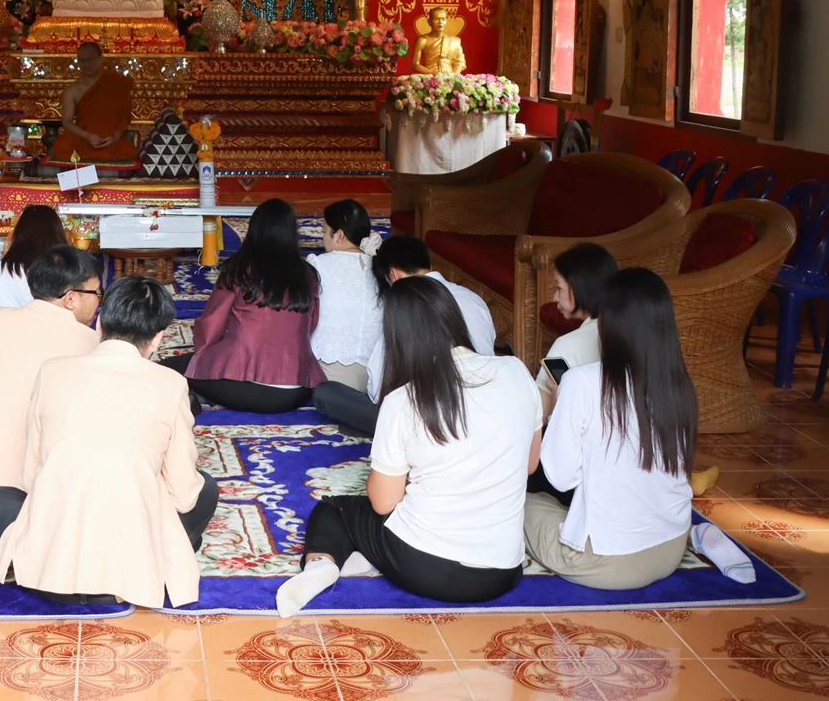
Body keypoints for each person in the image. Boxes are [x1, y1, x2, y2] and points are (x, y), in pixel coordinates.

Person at [277, 276, 542, 614]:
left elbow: (383, 503)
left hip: (426, 567)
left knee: (335, 509)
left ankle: (321, 565)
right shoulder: (516, 371)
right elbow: (531, 464)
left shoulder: (406, 399)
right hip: (503, 572)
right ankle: (368, 558)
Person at [0, 277, 219, 607]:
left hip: (55, 557)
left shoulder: (52, 371)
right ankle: (122, 577)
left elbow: (32, 476)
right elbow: (183, 492)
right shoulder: (171, 383)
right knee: (205, 488)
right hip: (128, 547)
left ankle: (60, 577)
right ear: (158, 338)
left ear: (100, 324)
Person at [527, 268, 699, 590]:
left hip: (606, 563)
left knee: (518, 502)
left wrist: (564, 405)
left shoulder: (582, 381)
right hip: (672, 545)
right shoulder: (678, 384)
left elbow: (560, 476)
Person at [0, 245, 103, 505]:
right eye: (97, 293)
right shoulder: (89, 342)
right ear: (70, 298)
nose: (98, 301)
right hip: (32, 488)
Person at [313, 235, 496, 437]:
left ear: (393, 275)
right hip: (482, 409)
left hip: (427, 424)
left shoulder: (404, 307)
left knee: (326, 393)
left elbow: (378, 387)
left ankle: (380, 432)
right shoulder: (474, 298)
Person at [160, 198, 323, 414]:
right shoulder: (309, 275)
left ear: (253, 230)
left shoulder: (240, 270)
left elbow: (212, 324)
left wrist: (203, 357)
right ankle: (198, 391)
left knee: (168, 368)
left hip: (250, 388)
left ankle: (190, 396)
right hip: (298, 389)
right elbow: (311, 324)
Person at [307, 199, 384, 392]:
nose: (322, 238)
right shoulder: (381, 268)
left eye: (324, 232)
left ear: (339, 235)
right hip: (379, 376)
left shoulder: (317, 264)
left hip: (328, 373)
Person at [535, 243, 618, 418]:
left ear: (582, 289)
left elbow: (537, 413)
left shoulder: (567, 346)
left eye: (559, 288)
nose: (554, 297)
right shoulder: (629, 332)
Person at [48, 42, 138, 166]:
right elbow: (67, 122)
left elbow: (125, 116)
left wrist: (115, 138)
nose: (86, 64)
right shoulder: (72, 89)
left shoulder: (118, 83)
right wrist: (87, 136)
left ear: (101, 59)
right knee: (61, 148)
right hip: (84, 141)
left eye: (90, 59)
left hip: (111, 142)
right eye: (81, 60)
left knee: (129, 151)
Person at [0, 205, 68, 311]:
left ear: (18, 234)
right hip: (51, 326)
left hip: (6, 326)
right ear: (58, 233)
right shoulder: (67, 269)